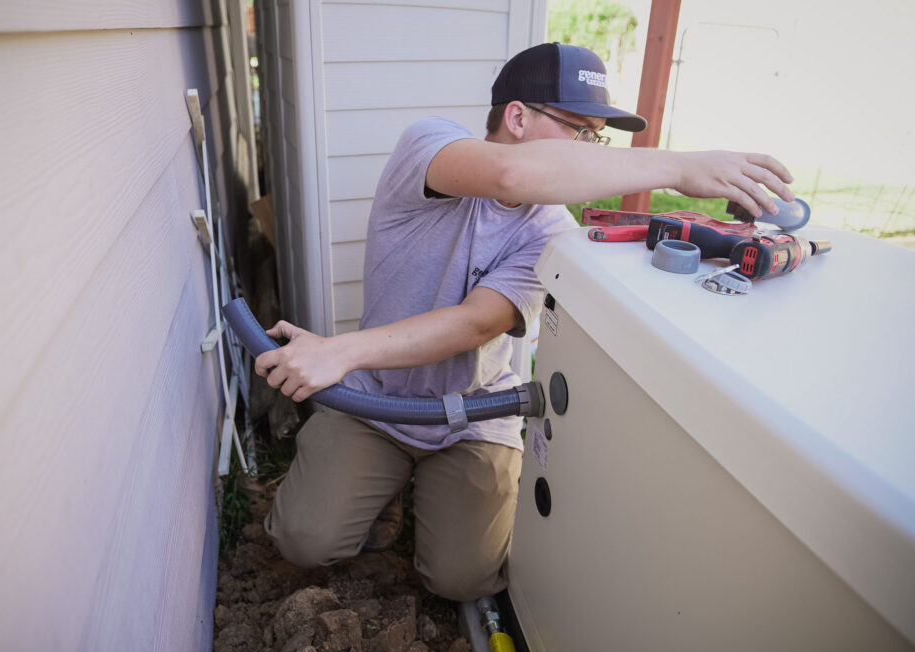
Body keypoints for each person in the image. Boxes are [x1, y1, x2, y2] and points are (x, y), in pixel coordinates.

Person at [254, 43, 794, 601]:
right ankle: (383, 491)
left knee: (462, 580)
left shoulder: (552, 231)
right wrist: (680, 167)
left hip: (472, 414)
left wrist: (340, 350)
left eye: (596, 138)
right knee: (303, 540)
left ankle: (416, 492)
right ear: (517, 117)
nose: (589, 152)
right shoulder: (428, 147)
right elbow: (509, 173)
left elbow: (473, 324)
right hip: (376, 398)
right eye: (580, 131)